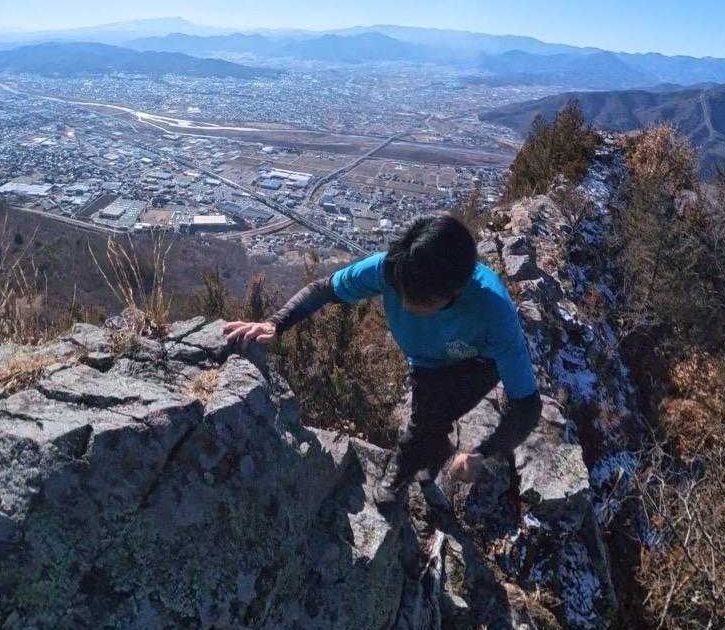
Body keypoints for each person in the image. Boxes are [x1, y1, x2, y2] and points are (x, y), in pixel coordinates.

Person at [221, 214, 542, 507]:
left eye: (422, 300)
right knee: (430, 415)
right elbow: (324, 290)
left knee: (427, 420)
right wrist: (276, 323)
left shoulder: (492, 310)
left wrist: (482, 454)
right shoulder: (391, 269)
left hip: (478, 364)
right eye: (403, 292)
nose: (406, 304)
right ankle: (429, 463)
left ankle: (404, 472)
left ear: (457, 291)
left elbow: (526, 404)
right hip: (426, 362)